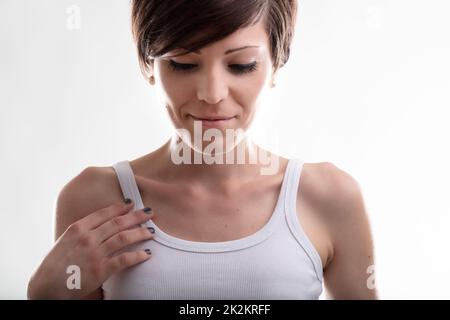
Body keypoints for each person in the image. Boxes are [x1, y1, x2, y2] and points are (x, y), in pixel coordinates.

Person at [27, 0, 378, 299]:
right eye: (182, 64)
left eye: (241, 65)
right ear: (149, 65)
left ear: (276, 63)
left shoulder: (331, 198)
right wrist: (45, 293)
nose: (212, 93)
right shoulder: (95, 199)